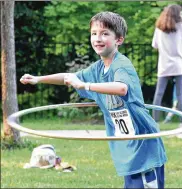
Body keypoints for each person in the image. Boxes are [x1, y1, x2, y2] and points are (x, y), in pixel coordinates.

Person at [20, 12, 167, 188]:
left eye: (105, 33)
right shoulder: (97, 69)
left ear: (119, 40)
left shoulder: (121, 65)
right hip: (127, 149)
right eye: (94, 33)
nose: (98, 38)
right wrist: (38, 79)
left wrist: (85, 86)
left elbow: (122, 88)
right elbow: (69, 76)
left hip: (145, 148)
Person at [151, 4, 182, 124]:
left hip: (164, 64)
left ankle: (154, 120)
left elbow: (155, 45)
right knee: (180, 93)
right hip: (178, 63)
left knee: (159, 93)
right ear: (178, 13)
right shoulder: (181, 25)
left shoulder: (159, 27)